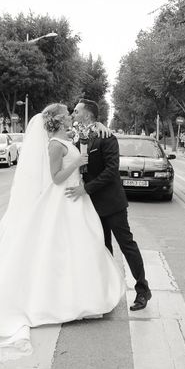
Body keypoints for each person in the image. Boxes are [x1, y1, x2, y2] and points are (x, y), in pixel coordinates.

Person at [0, 103, 125, 367]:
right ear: (56, 120)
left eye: (73, 114)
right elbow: (56, 178)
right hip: (63, 199)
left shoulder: (67, 137)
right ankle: (62, 302)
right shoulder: (55, 145)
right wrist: (77, 163)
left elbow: (91, 133)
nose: (71, 116)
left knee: (82, 248)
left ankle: (86, 297)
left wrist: (101, 127)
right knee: (61, 250)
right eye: (67, 115)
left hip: (75, 201)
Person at [66, 99, 152, 311]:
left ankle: (143, 290)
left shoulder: (107, 137)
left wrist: (86, 188)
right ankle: (107, 291)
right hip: (90, 205)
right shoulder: (75, 137)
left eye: (76, 111)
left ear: (87, 115)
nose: (73, 114)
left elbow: (111, 171)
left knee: (126, 245)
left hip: (112, 202)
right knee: (102, 248)